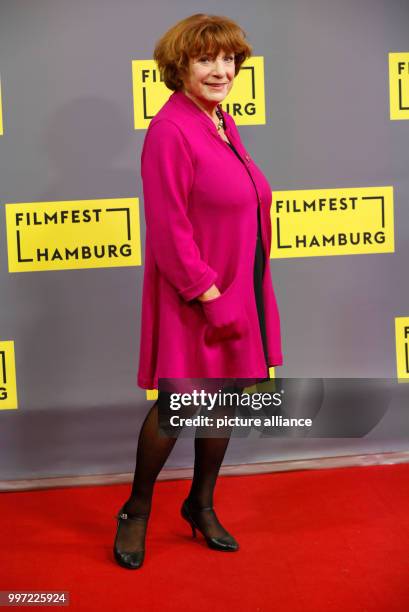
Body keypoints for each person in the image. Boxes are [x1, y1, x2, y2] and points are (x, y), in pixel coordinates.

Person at [113, 13, 283, 570]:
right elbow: (167, 228)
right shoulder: (171, 129)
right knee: (177, 407)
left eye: (229, 59)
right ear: (179, 66)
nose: (221, 70)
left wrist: (243, 289)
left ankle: (200, 505)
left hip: (243, 283)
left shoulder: (219, 121)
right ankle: (136, 511)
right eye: (206, 59)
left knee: (225, 401)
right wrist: (209, 295)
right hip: (200, 294)